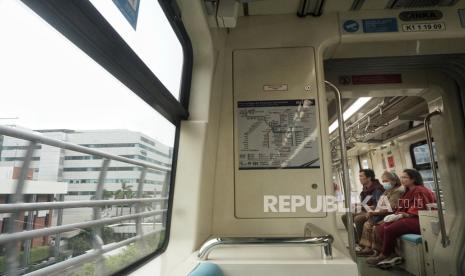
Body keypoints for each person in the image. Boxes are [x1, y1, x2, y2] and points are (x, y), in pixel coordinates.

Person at [366, 169, 436, 266]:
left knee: (389, 229)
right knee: (381, 227)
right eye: (401, 177)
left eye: (405, 177)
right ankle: (392, 254)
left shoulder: (419, 190)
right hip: (409, 217)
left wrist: (402, 215)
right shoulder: (407, 191)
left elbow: (420, 208)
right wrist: (396, 214)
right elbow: (402, 206)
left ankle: (384, 255)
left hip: (420, 219)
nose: (402, 179)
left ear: (413, 179)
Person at [357, 171, 405, 256]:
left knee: (370, 223)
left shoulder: (397, 191)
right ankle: (368, 247)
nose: (384, 183)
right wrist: (372, 209)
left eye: (386, 181)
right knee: (368, 223)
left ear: (393, 180)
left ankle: (377, 250)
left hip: (391, 214)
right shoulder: (387, 191)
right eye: (383, 181)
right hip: (382, 213)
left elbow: (390, 207)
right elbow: (379, 204)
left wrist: (373, 212)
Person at [341, 169, 384, 244]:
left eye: (361, 176)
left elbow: (377, 206)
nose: (359, 178)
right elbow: (364, 203)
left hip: (375, 213)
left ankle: (363, 244)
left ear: (369, 178)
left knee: (358, 219)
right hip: (366, 210)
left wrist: (363, 206)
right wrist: (357, 205)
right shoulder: (365, 189)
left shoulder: (377, 189)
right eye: (359, 176)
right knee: (345, 216)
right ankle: (355, 240)